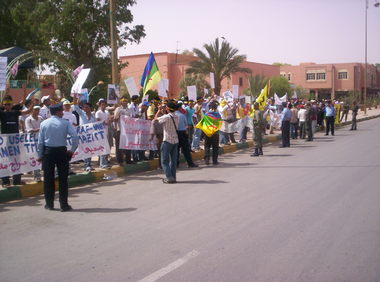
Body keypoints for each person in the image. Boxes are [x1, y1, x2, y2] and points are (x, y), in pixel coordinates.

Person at [37, 103, 79, 211]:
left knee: (48, 179)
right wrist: (72, 150)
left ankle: (49, 204)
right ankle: (64, 205)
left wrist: (40, 155)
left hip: (48, 152)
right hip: (61, 152)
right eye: (61, 110)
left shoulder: (44, 123)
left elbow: (40, 142)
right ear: (58, 111)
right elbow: (75, 137)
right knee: (63, 179)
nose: (63, 112)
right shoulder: (65, 123)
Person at [0, 96, 33, 187]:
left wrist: (33, 104)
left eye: (9, 104)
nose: (7, 106)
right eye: (5, 104)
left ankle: (17, 181)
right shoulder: (2, 114)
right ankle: (5, 181)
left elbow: (27, 112)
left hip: (15, 142)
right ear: (3, 105)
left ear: (11, 104)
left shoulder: (15, 113)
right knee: (5, 161)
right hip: (5, 143)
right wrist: (4, 94)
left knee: (16, 160)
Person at [154, 101, 179, 184]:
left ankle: (169, 177)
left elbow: (155, 119)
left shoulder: (166, 117)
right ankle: (173, 177)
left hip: (167, 140)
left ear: (168, 108)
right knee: (173, 161)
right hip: (175, 140)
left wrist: (158, 111)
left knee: (164, 160)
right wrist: (164, 112)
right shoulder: (176, 116)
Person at [73, 98, 96, 171]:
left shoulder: (93, 117)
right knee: (85, 150)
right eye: (84, 107)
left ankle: (88, 164)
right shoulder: (81, 114)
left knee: (90, 150)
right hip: (83, 136)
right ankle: (86, 165)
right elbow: (76, 107)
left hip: (90, 136)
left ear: (90, 108)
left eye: (87, 107)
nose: (85, 108)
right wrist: (75, 98)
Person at [176, 103, 198, 168]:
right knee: (186, 150)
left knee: (176, 150)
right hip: (182, 133)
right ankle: (190, 163)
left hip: (176, 133)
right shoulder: (182, 115)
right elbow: (186, 125)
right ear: (179, 108)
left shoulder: (173, 115)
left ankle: (176, 164)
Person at [25, 105, 43, 182]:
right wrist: (40, 129)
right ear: (32, 110)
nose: (37, 111)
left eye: (38, 109)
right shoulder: (28, 119)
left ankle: (39, 175)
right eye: (35, 109)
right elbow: (30, 130)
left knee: (41, 157)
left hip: (40, 140)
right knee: (35, 158)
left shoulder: (40, 118)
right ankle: (36, 176)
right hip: (32, 141)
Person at [95, 98, 111, 168]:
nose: (103, 106)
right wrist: (105, 123)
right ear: (100, 105)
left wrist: (110, 120)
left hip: (106, 131)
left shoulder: (107, 112)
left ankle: (103, 162)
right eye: (102, 105)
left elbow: (109, 120)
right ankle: (103, 164)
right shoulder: (98, 112)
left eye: (104, 105)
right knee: (102, 148)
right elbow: (98, 122)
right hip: (100, 133)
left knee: (105, 148)